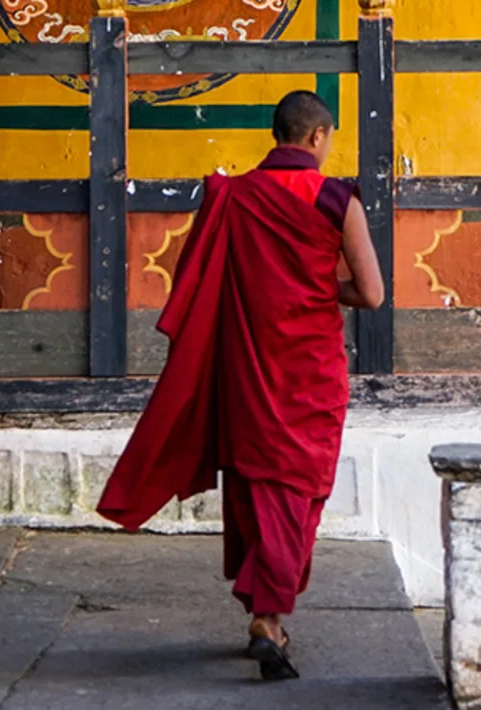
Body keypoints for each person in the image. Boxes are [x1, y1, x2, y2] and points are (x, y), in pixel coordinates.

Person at [96, 90, 384, 681]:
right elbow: (372, 293)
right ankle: (268, 618)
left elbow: (202, 278)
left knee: (259, 484)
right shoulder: (336, 198)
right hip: (313, 372)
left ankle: (266, 609)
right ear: (316, 138)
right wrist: (321, 289)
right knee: (301, 490)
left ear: (277, 136)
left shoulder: (234, 196)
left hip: (251, 366)